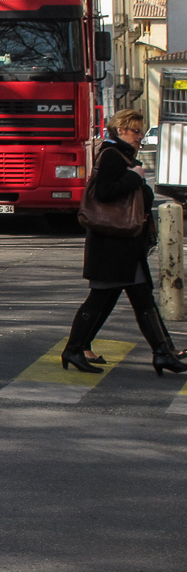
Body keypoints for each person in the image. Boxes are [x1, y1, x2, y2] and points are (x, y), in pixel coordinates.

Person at [61, 108, 187, 376]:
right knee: (101, 298)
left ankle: (163, 353)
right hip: (112, 244)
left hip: (125, 244)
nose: (140, 136)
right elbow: (105, 193)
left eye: (141, 131)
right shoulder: (111, 156)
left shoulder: (122, 155)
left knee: (142, 299)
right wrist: (135, 177)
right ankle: (74, 348)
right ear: (121, 130)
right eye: (136, 131)